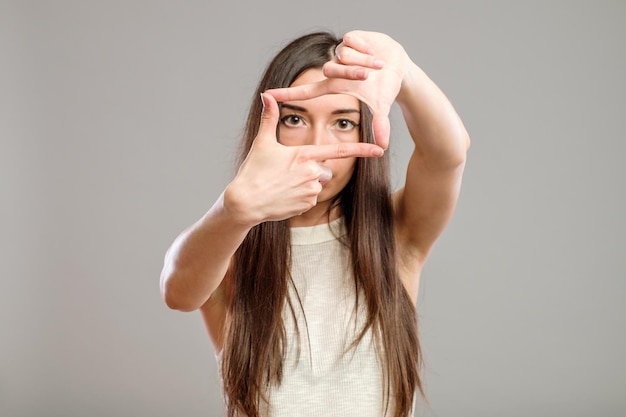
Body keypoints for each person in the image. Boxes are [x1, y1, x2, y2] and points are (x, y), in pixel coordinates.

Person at [160, 29, 470, 417]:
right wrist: (232, 211)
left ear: (366, 133)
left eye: (343, 123)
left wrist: (404, 72)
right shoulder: (231, 241)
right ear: (267, 127)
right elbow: (178, 291)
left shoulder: (396, 233)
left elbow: (448, 155)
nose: (317, 146)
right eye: (295, 119)